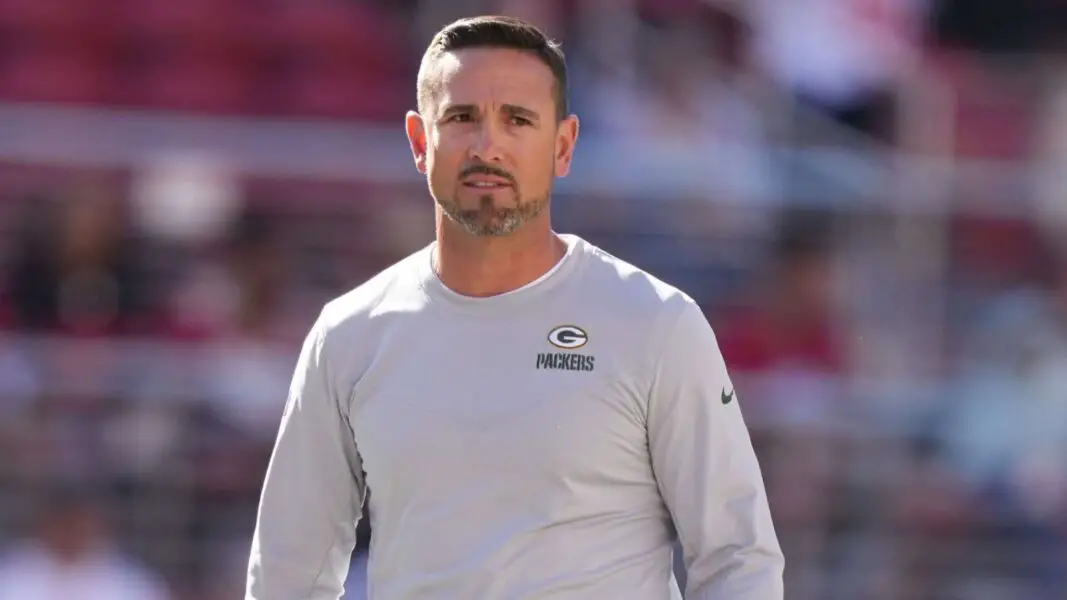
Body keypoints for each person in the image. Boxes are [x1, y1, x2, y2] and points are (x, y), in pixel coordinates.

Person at [246, 15, 783, 600]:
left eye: (517, 120)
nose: (487, 145)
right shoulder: (348, 336)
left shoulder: (656, 324)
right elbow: (288, 571)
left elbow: (736, 558)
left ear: (563, 145)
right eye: (461, 118)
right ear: (420, 142)